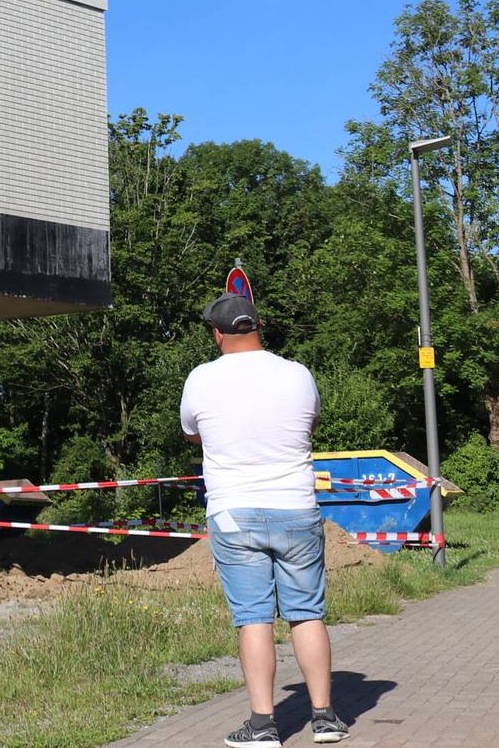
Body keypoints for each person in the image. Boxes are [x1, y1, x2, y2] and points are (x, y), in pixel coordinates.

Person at [181, 292, 349, 746]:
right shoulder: (298, 374)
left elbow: (194, 434)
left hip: (234, 511)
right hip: (295, 506)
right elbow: (309, 427)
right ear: (256, 326)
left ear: (217, 334)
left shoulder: (201, 378)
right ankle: (325, 717)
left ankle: (263, 725)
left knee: (253, 617)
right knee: (307, 613)